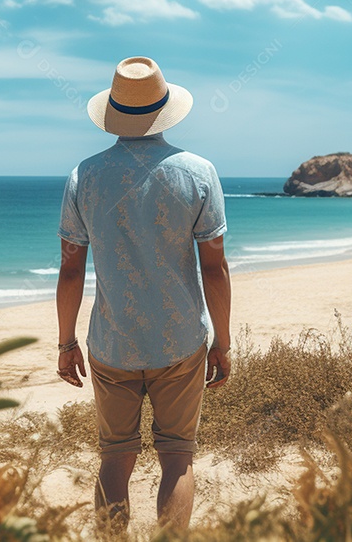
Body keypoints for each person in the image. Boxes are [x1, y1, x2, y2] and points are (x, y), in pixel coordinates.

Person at [54, 56, 232, 532]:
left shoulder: (83, 176)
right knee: (177, 457)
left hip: (112, 343)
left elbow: (71, 268)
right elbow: (213, 266)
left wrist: (65, 341)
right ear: (165, 108)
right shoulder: (197, 172)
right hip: (180, 340)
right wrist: (223, 341)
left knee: (115, 459)